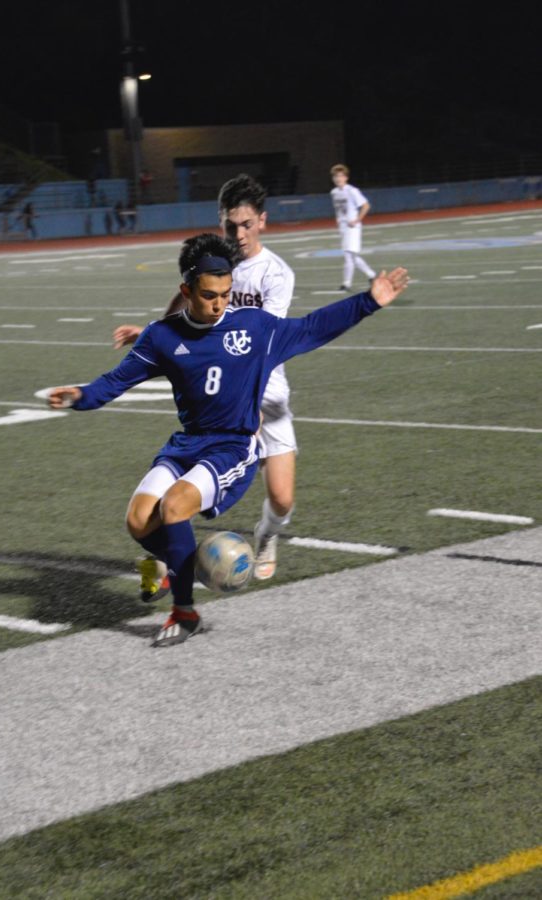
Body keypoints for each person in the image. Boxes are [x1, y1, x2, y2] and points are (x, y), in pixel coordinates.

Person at [47, 232, 410, 648]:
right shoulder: (161, 337)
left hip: (233, 447)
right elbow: (115, 381)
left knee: (175, 505)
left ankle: (185, 615)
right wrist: (79, 395)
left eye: (226, 293)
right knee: (137, 519)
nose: (219, 303)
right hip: (187, 445)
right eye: (208, 294)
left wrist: (369, 300)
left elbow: (313, 327)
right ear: (186, 290)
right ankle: (171, 563)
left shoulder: (255, 328)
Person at [113, 174, 297, 591]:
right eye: (231, 225)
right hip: (218, 402)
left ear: (262, 221)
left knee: (282, 499)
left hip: (264, 396)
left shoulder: (275, 275)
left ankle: (266, 535)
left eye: (247, 224)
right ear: (221, 223)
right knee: (179, 496)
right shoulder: (211, 266)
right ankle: (161, 563)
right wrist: (152, 334)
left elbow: (266, 341)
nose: (239, 234)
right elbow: (183, 312)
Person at [330, 164, 376, 291]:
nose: (338, 179)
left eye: (341, 176)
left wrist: (357, 220)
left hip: (352, 227)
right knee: (352, 256)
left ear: (346, 177)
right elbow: (339, 211)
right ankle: (372, 275)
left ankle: (346, 283)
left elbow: (366, 205)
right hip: (343, 227)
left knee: (348, 255)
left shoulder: (352, 191)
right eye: (336, 176)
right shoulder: (334, 192)